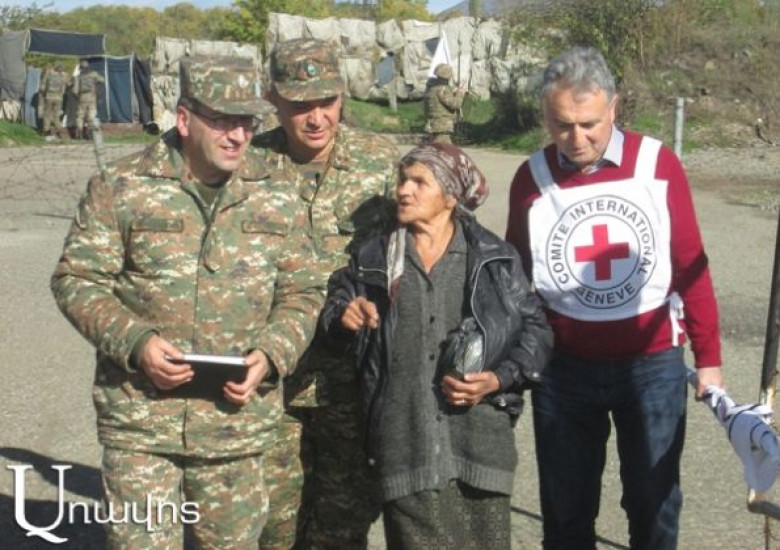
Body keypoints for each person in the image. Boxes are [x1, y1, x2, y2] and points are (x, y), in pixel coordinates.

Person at [51, 55, 325, 550]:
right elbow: (77, 279)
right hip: (141, 422)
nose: (238, 136)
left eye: (247, 122)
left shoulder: (278, 194)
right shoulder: (123, 186)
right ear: (184, 119)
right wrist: (136, 342)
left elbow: (304, 291)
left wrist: (271, 355)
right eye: (222, 121)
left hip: (235, 424)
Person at [504, 46, 724, 550]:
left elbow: (690, 263)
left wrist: (709, 359)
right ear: (545, 116)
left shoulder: (657, 165)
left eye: (589, 124)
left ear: (614, 107)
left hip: (652, 365)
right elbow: (515, 280)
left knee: (653, 505)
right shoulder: (531, 179)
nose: (576, 139)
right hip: (563, 369)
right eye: (561, 125)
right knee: (565, 512)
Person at [321, 143, 553, 549]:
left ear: (450, 197)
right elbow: (335, 309)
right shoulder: (374, 257)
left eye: (419, 182)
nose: (403, 191)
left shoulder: (494, 259)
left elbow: (537, 331)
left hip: (480, 448)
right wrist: (345, 314)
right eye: (402, 180)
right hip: (403, 446)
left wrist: (499, 379)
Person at [253, 38, 400, 550]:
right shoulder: (248, 166)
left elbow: (420, 248)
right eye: (300, 105)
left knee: (342, 528)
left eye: (327, 101)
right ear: (272, 98)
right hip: (272, 383)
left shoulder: (379, 163)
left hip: (351, 383)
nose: (316, 118)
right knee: (272, 525)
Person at [423, 63, 466, 144]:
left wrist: (453, 92)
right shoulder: (443, 89)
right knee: (445, 148)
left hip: (433, 124)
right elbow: (455, 104)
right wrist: (460, 93)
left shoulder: (431, 88)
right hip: (442, 125)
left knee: (436, 147)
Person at [72, 59, 105, 139]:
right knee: (91, 115)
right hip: (92, 97)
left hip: (82, 97)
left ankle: (79, 133)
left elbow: (75, 91)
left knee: (80, 116)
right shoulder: (94, 74)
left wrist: (77, 98)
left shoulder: (79, 76)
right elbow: (102, 80)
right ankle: (89, 133)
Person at [40, 61, 67, 138]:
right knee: (57, 115)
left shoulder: (48, 75)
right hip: (59, 98)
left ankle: (46, 131)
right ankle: (59, 132)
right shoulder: (62, 76)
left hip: (49, 97)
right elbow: (66, 86)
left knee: (47, 115)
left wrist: (44, 94)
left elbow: (42, 88)